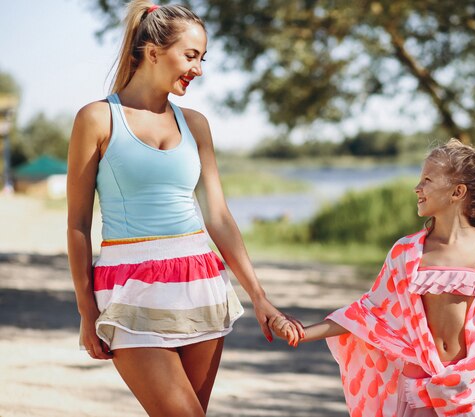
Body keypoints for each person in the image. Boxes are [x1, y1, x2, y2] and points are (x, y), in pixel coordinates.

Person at [66, 2, 301, 416]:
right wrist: (87, 311)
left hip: (199, 280)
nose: (199, 69)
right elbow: (78, 225)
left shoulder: (195, 124)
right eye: (191, 56)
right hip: (128, 288)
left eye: (202, 58)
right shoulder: (98, 119)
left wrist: (260, 298)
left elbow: (219, 217)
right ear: (152, 51)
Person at [271, 138, 475, 417]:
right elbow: (368, 314)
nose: (417, 188)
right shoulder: (407, 252)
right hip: (419, 382)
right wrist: (303, 334)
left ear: (457, 191)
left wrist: (461, 375)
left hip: (469, 387)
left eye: (427, 180)